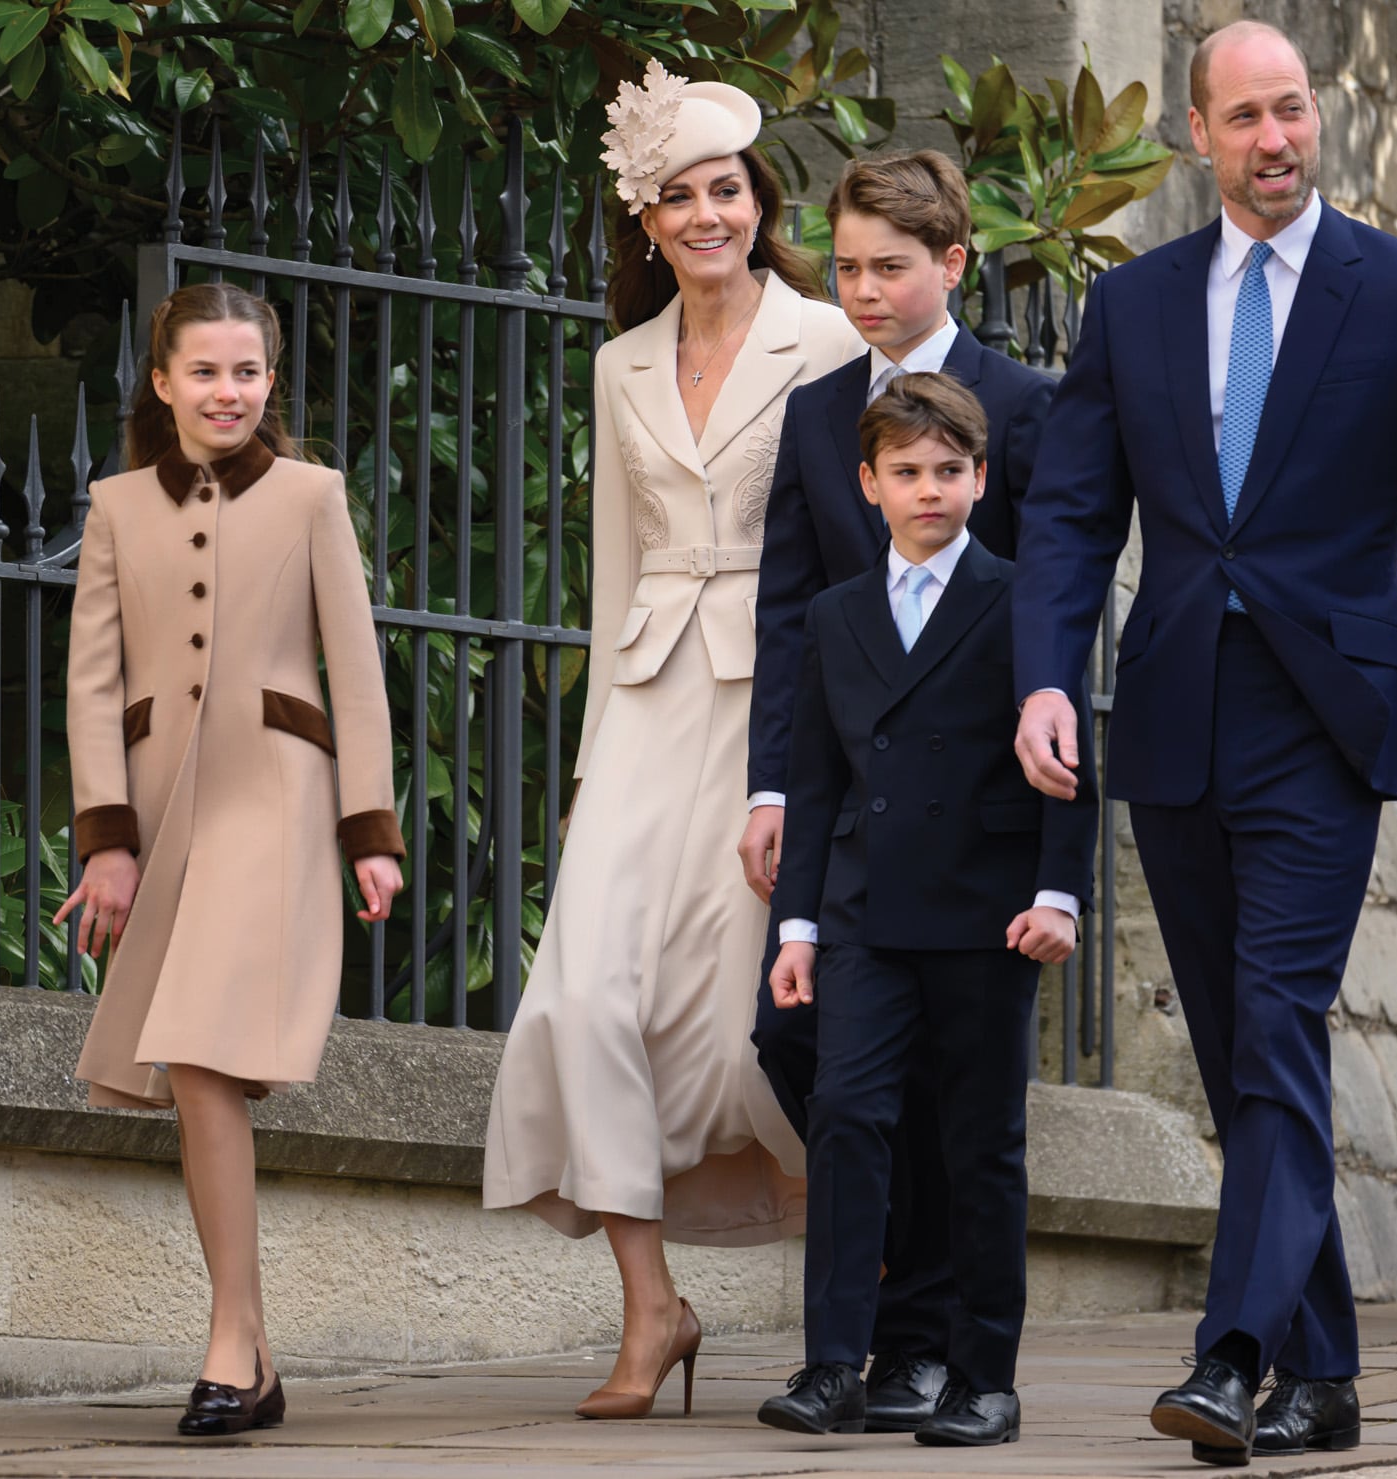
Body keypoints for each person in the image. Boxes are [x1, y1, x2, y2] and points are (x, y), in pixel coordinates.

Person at [1010, 20, 1397, 1466]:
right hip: (1178, 717)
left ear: (1318, 117)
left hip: (1326, 718)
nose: (1275, 139)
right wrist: (1047, 674)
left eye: (1293, 109)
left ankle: (1231, 1352)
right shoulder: (1132, 310)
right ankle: (1326, 1374)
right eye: (1244, 116)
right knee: (1253, 1043)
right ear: (1198, 135)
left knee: (1276, 1020)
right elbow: (1068, 513)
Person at [480, 62, 865, 1420]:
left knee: (751, 1018)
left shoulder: (824, 341)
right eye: (677, 196)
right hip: (645, 706)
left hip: (776, 703)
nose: (707, 214)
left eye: (726, 189)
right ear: (644, 223)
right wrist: (590, 766)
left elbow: (854, 551)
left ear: (758, 201)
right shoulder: (617, 363)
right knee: (584, 997)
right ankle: (654, 1306)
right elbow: (611, 570)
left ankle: (856, 1309)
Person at [56, 281, 406, 1436]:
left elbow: (355, 669)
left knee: (205, 1053)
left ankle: (225, 1342)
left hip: (280, 801)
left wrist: (371, 829)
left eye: (247, 371)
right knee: (195, 1075)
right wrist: (106, 839)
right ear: (161, 384)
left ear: (270, 383)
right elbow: (94, 685)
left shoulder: (312, 495)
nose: (227, 391)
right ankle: (247, 1349)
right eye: (203, 371)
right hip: (162, 812)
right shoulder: (114, 508)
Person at [740, 150, 1054, 1431]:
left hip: (975, 834)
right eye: (847, 267)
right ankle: (871, 1338)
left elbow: (1048, 611)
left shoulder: (1022, 408)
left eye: (888, 267)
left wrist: (1045, 861)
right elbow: (790, 618)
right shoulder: (819, 415)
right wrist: (773, 789)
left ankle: (929, 1348)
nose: (861, 291)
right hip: (855, 835)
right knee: (810, 1056)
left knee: (961, 1108)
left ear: (951, 264)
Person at [755, 373, 1096, 1448]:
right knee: (848, 1120)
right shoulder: (833, 612)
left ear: (980, 477)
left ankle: (981, 1375)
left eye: (948, 471)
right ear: (867, 485)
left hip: (985, 913)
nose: (928, 490)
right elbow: (814, 780)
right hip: (862, 914)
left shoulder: (1019, 596)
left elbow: (1070, 749)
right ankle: (829, 1367)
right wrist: (796, 929)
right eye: (905, 472)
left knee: (979, 1143)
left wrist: (1057, 894)